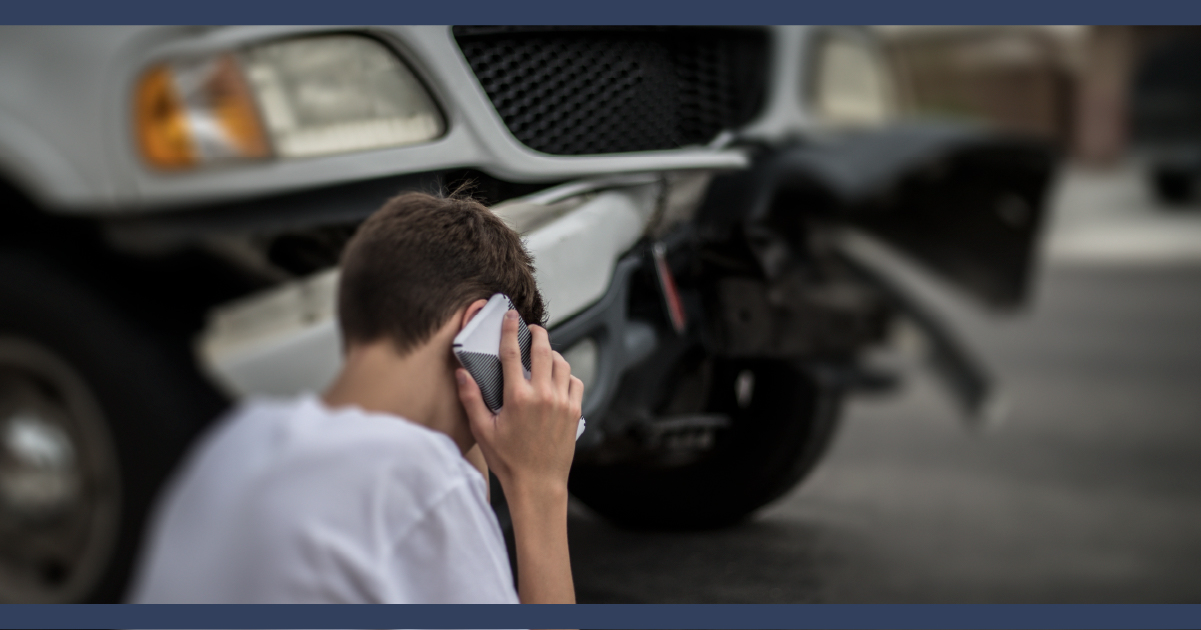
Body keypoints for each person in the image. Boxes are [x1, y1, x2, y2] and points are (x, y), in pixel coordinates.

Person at [128, 192, 582, 604]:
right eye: (505, 368)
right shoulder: (417, 479)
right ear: (475, 329)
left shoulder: (235, 442)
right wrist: (540, 484)